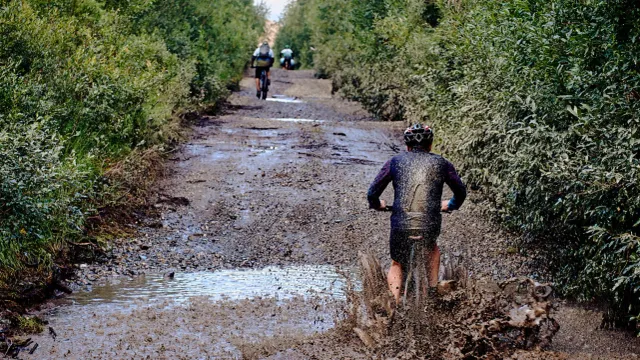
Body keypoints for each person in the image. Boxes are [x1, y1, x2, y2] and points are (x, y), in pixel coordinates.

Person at [367, 124, 466, 304]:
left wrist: (377, 205)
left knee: (397, 263)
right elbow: (460, 192)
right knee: (432, 249)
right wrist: (450, 204)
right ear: (430, 145)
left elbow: (372, 193)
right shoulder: (442, 163)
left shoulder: (394, 162)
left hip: (401, 223)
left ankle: (393, 304)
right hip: (429, 222)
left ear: (407, 146)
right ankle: (433, 289)